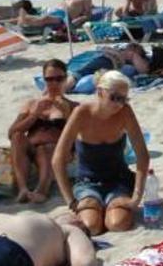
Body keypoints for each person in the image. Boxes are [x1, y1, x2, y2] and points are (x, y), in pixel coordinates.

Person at [52, 70, 149, 236]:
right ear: (99, 92)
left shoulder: (125, 112)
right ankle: (96, 206)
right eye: (114, 97)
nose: (119, 104)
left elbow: (142, 156)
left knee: (117, 223)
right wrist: (70, 201)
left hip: (119, 179)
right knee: (91, 227)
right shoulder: (82, 113)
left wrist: (137, 196)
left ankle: (110, 205)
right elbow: (57, 159)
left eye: (123, 98)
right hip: (87, 182)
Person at [9, 59, 78, 203]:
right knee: (17, 137)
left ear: (66, 79)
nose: (54, 83)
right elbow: (12, 132)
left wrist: (66, 115)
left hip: (57, 150)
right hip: (31, 148)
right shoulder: (32, 104)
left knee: (47, 148)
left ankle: (42, 190)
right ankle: (22, 188)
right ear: (44, 80)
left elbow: (81, 137)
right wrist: (34, 114)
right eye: (49, 79)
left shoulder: (74, 106)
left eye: (59, 79)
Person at [63, 43, 151, 93]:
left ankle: (64, 87)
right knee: (81, 72)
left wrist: (134, 55)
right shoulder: (121, 51)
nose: (128, 48)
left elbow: (143, 70)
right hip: (105, 59)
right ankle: (64, 87)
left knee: (81, 73)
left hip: (107, 61)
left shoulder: (133, 56)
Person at [17, 0, 93, 29]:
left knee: (44, 19)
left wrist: (79, 20)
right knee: (41, 16)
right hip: (56, 11)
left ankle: (23, 19)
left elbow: (88, 13)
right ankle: (21, 20)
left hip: (65, 17)